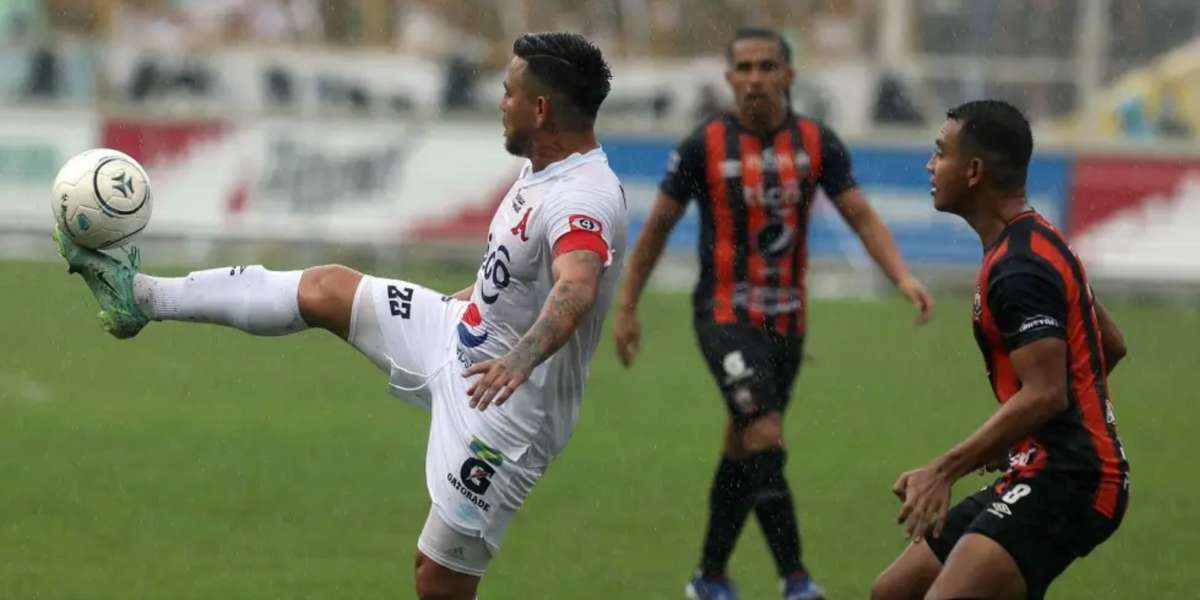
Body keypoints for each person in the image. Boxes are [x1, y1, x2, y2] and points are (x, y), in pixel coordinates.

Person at [54, 32, 624, 600]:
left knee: (438, 581)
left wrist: (520, 357)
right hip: (458, 334)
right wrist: (472, 297)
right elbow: (522, 272)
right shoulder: (545, 168)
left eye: (509, 93)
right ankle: (140, 297)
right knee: (326, 289)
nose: (501, 103)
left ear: (541, 108)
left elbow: (575, 287)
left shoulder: (582, 196)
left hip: (505, 409)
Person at [613, 27, 934, 600]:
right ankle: (797, 581)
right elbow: (657, 227)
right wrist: (628, 306)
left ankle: (709, 578)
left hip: (787, 323)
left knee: (744, 447)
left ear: (789, 75)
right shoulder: (702, 145)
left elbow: (860, 215)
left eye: (767, 67)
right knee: (763, 433)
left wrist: (902, 276)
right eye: (745, 68)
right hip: (724, 315)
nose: (756, 79)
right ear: (729, 77)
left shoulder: (817, 142)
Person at [872, 100, 1130, 600]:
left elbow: (1048, 393)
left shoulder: (1019, 268)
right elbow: (1110, 345)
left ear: (973, 171)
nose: (930, 165)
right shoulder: (1036, 241)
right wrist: (1022, 432)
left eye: (939, 153)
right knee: (894, 592)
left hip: (1072, 478)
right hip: (1043, 465)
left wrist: (944, 469)